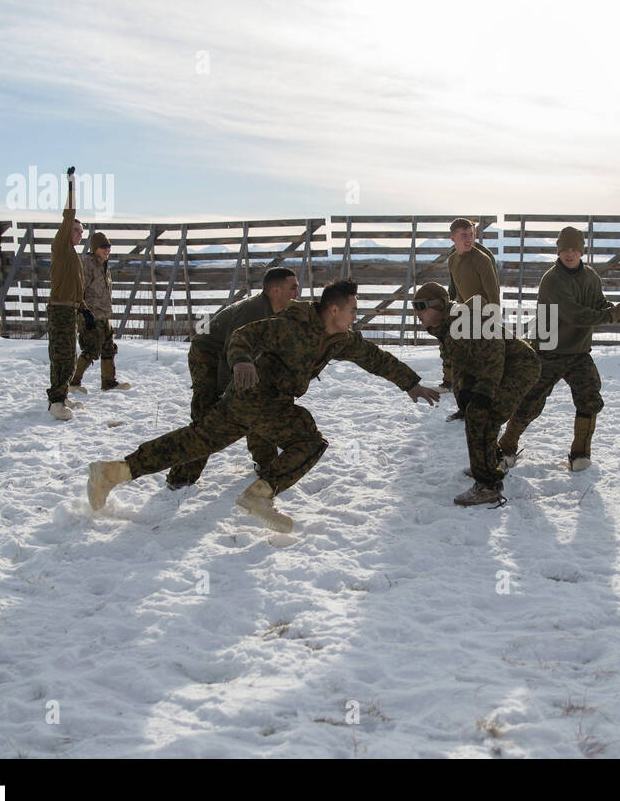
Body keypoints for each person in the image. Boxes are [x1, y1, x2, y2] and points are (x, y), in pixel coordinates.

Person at [87, 279, 442, 530]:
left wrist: (410, 384)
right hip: (258, 396)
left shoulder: (339, 338)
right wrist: (241, 360)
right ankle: (260, 495)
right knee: (308, 440)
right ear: (333, 309)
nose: (356, 315)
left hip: (251, 403)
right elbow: (244, 334)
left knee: (195, 441)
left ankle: (113, 472)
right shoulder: (292, 325)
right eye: (352, 309)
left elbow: (373, 357)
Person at [500, 226, 620, 471]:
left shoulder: (590, 276)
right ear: (559, 251)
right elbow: (576, 315)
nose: (569, 254)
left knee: (590, 397)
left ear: (582, 251)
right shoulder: (552, 280)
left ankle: (580, 454)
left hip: (578, 352)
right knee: (530, 402)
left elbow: (599, 305)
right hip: (548, 350)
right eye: (564, 249)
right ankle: (505, 447)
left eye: (574, 249)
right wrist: (614, 315)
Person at [165, 267, 300, 489]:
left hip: (238, 358)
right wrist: (225, 393)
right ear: (275, 290)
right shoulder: (252, 313)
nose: (297, 292)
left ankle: (267, 465)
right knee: (208, 414)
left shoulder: (281, 311)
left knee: (258, 404)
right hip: (208, 354)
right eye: (292, 287)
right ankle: (180, 477)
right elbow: (231, 353)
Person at [413, 282, 540, 506]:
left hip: (517, 367)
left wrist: (484, 392)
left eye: (421, 307)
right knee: (475, 413)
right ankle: (488, 465)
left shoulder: (465, 320)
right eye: (415, 307)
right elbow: (461, 359)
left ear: (439, 306)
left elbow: (495, 351)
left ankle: (488, 485)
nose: (417, 313)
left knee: (483, 416)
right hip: (496, 367)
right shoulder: (443, 326)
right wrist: (462, 389)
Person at [442, 217, 501, 421]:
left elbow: (494, 294)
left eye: (472, 235)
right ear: (453, 238)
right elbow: (457, 291)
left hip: (484, 319)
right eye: (464, 235)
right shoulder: (452, 260)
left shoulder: (482, 260)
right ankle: (463, 408)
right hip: (464, 318)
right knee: (460, 367)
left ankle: (483, 410)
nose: (469, 239)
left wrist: (494, 324)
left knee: (483, 368)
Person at [68, 231, 130, 394]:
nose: (107, 250)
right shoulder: (87, 264)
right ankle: (73, 382)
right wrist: (83, 313)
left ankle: (108, 382)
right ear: (95, 248)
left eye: (108, 247)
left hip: (103, 314)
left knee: (109, 348)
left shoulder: (104, 265)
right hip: (90, 314)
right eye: (103, 247)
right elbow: (78, 289)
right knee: (90, 349)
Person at [46, 166, 85, 420]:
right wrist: (71, 186)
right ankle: (55, 402)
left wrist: (84, 309)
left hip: (70, 310)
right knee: (61, 356)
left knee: (70, 356)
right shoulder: (61, 246)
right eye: (77, 230)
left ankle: (62, 395)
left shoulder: (73, 257)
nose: (81, 234)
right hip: (60, 309)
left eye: (83, 232)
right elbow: (69, 214)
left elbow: (77, 287)